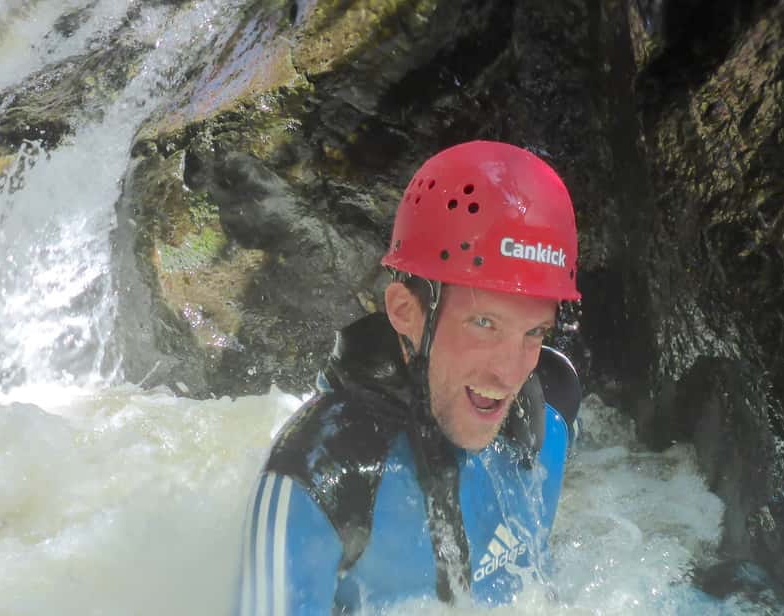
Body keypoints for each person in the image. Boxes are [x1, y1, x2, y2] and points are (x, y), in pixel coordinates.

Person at [236, 141, 584, 615]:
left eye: (534, 332)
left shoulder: (551, 411)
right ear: (405, 310)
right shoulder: (319, 474)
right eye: (484, 324)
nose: (509, 373)